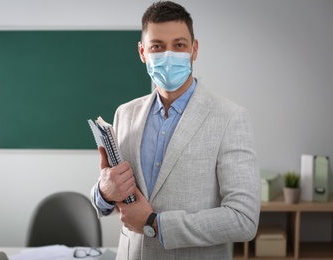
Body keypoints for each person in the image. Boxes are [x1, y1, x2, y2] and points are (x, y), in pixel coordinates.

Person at [90, 1, 260, 259]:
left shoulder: (230, 118)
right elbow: (114, 199)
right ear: (142, 52)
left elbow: (243, 219)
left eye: (179, 45)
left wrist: (154, 223)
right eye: (157, 46)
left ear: (194, 49)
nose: (168, 54)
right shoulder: (125, 113)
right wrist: (104, 192)